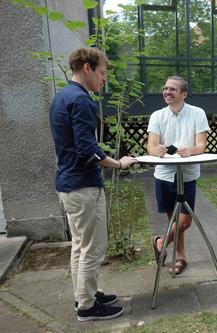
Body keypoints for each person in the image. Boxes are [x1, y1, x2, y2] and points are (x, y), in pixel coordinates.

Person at [50, 47, 137, 322]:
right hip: (83, 187)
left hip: (68, 185)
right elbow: (88, 150)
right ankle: (87, 307)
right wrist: (120, 163)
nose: (104, 80)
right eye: (101, 73)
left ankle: (85, 294)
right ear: (86, 69)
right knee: (94, 247)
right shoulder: (83, 101)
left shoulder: (61, 97)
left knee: (80, 245)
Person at [147, 76, 210, 275]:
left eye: (172, 89)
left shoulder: (197, 113)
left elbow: (202, 145)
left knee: (184, 221)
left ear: (184, 94)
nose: (167, 92)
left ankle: (159, 243)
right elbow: (150, 146)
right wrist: (156, 151)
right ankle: (180, 258)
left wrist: (191, 151)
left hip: (188, 174)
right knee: (173, 221)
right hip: (164, 174)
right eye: (165, 88)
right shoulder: (157, 115)